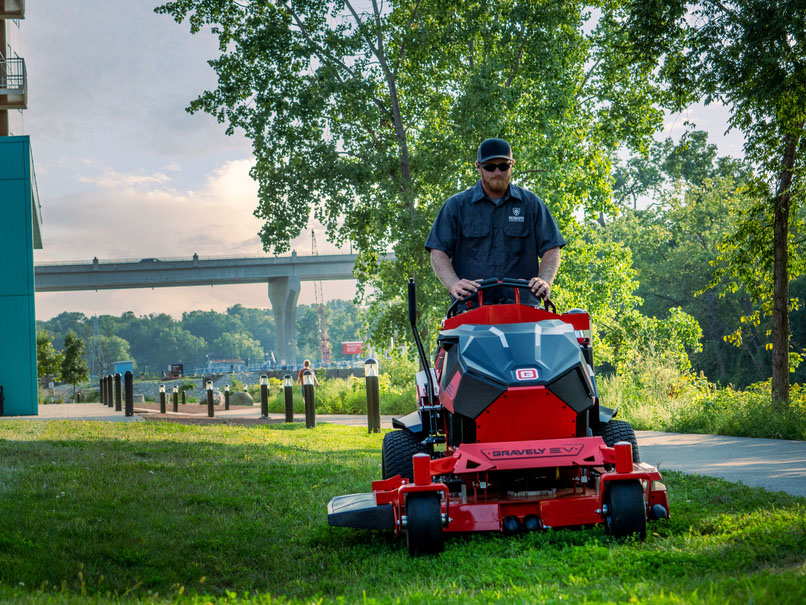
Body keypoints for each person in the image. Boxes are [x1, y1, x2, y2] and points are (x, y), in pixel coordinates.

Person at [425, 138, 565, 301]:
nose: (497, 172)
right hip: (471, 306)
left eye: (503, 166)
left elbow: (551, 248)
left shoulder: (531, 204)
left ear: (512, 165)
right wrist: (453, 283)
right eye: (490, 167)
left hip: (523, 306)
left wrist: (545, 280)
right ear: (478, 166)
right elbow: (438, 251)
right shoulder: (456, 206)